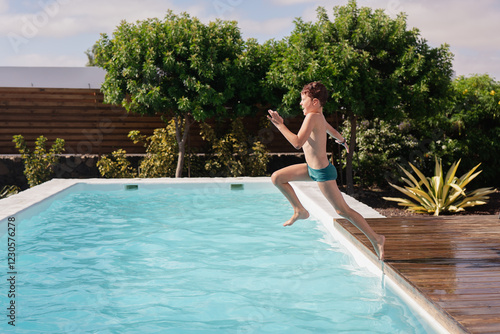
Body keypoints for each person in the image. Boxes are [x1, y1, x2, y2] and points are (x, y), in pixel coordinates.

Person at [267, 81, 385, 261]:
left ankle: (377, 239)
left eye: (303, 100)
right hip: (311, 170)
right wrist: (342, 141)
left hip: (322, 173)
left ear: (314, 102)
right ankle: (299, 210)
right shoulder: (319, 117)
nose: (300, 104)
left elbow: (297, 143)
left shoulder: (312, 117)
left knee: (343, 211)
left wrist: (280, 125)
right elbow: (332, 131)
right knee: (277, 178)